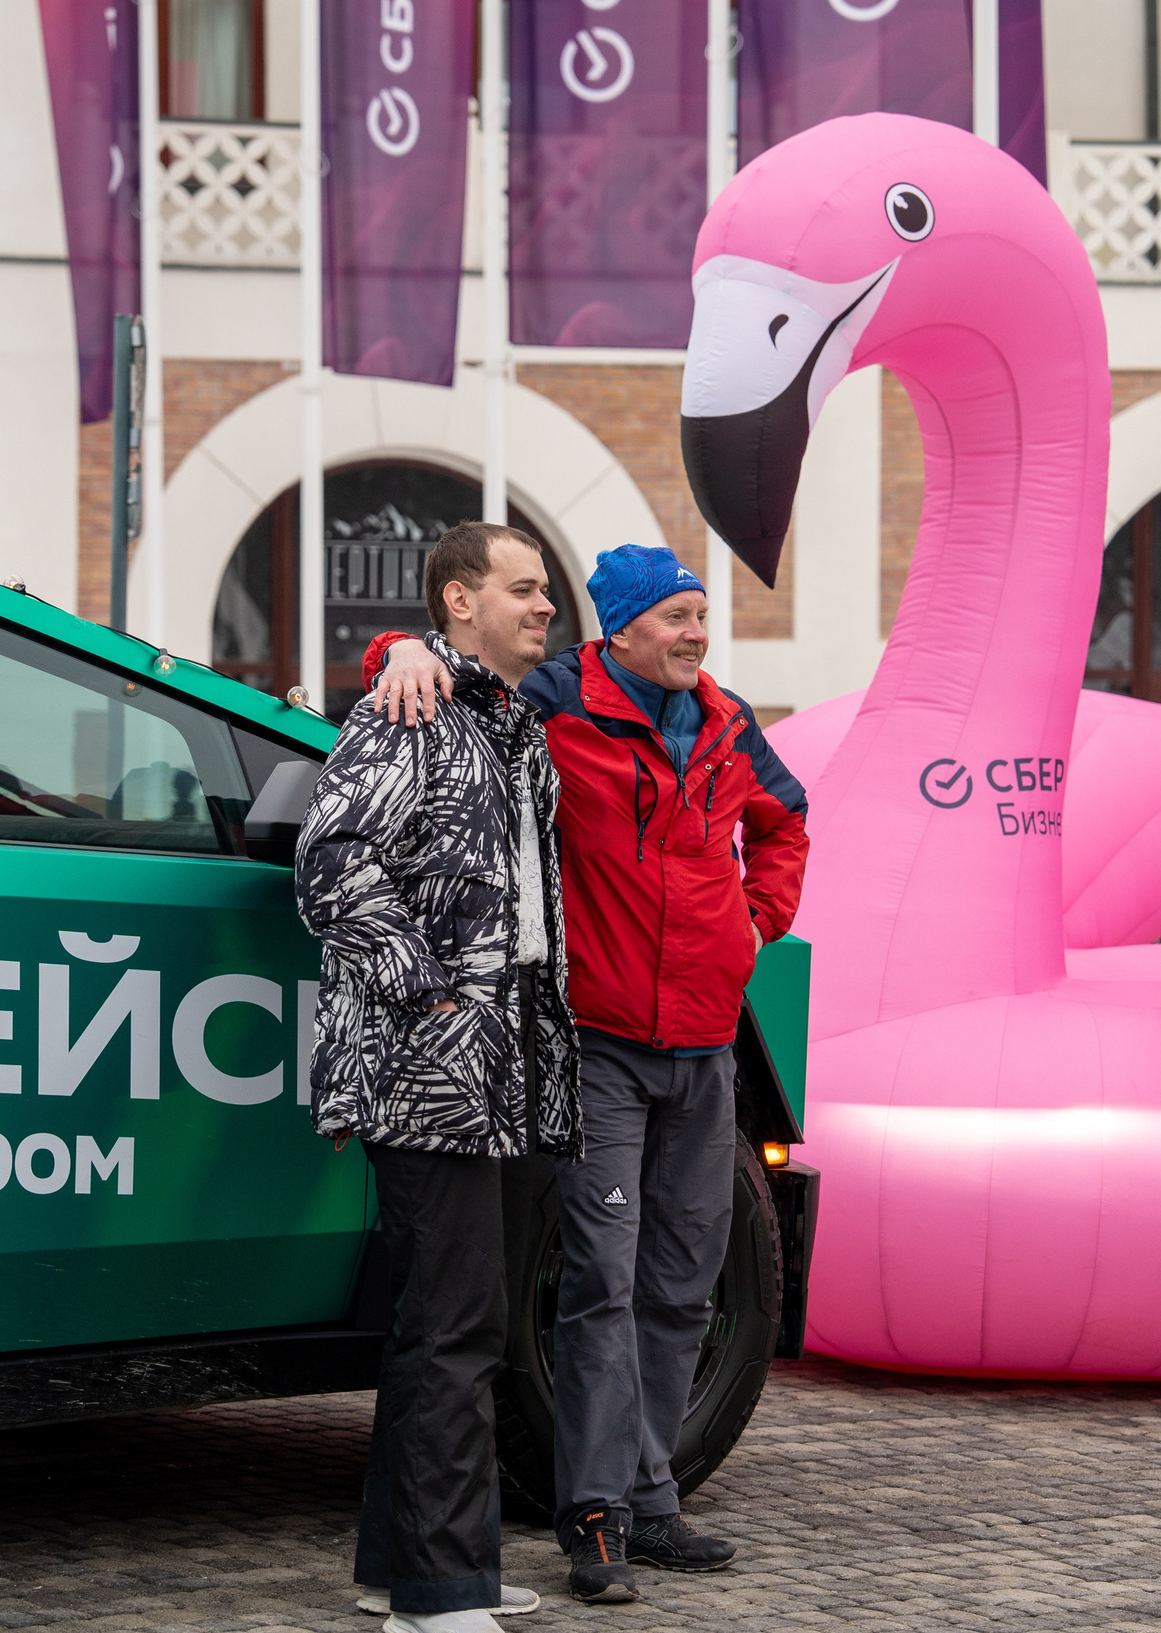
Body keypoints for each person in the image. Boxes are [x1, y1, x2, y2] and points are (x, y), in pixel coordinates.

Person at [361, 543, 809, 1606]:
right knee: (599, 1282)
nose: (697, 636)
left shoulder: (730, 721)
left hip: (705, 1046)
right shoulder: (561, 696)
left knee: (682, 1280)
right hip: (600, 1041)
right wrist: (398, 652)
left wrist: (755, 924)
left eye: (703, 616)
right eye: (678, 617)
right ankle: (594, 1511)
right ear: (621, 628)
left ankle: (653, 1495)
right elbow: (454, 664)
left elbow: (785, 821)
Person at [295, 521, 580, 1633]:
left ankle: (404, 1562)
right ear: (458, 602)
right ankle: (441, 1589)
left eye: (546, 589)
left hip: (505, 1067)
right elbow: (330, 861)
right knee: (453, 1330)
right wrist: (428, 991)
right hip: (431, 1063)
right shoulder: (404, 708)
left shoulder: (511, 726)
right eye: (522, 588)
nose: (543, 604)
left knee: (460, 1323)